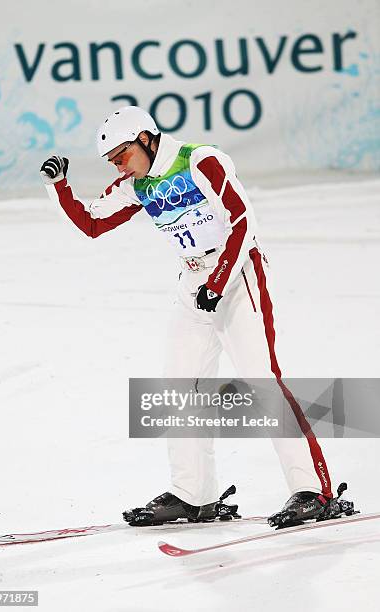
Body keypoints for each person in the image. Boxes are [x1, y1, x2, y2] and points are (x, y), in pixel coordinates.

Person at [40, 106, 350, 528]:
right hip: (193, 281)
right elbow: (93, 223)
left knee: (262, 379)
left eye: (121, 153)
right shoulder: (137, 182)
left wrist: (219, 282)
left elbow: (243, 222)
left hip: (238, 273)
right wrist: (59, 185)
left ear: (147, 138)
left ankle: (314, 490)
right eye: (111, 160)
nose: (117, 164)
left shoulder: (201, 160)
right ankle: (193, 495)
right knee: (179, 385)